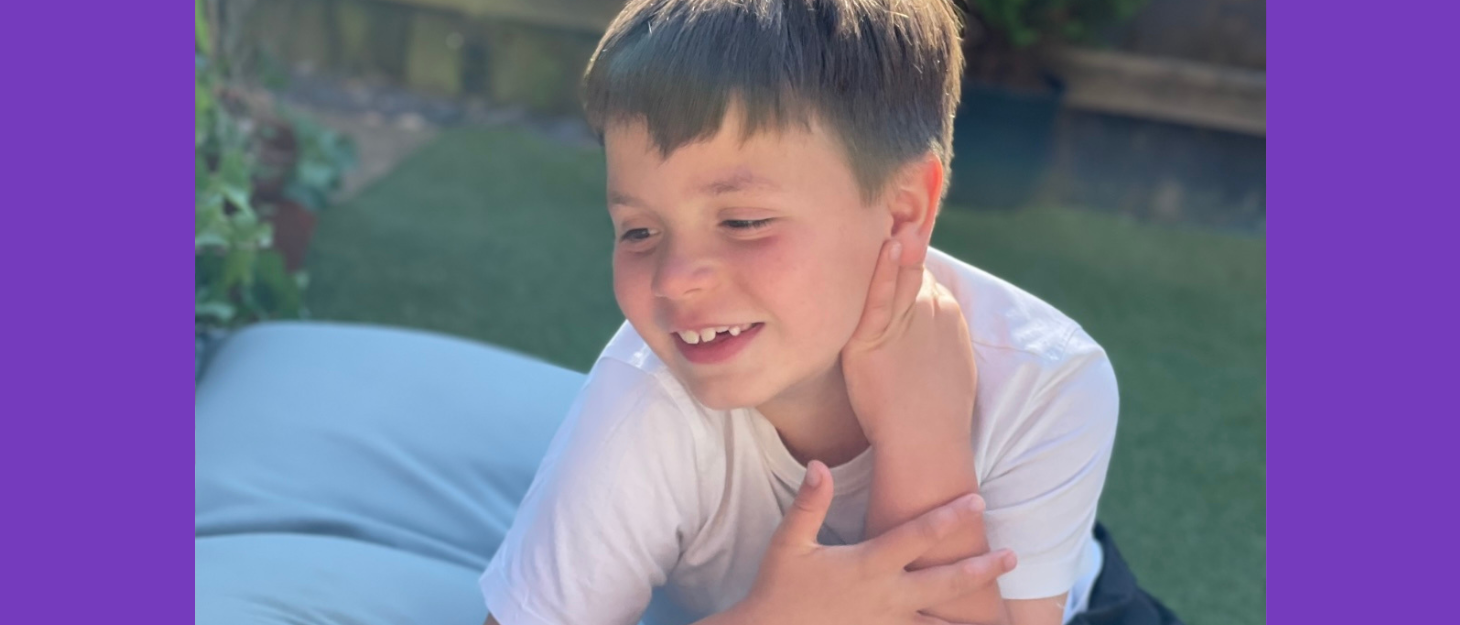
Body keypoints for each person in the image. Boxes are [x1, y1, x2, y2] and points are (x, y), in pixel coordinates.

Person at [480, 1, 1180, 624]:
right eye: (638, 231)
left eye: (745, 221)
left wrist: (923, 429)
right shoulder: (647, 401)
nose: (676, 280)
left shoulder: (1043, 376)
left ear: (905, 212)